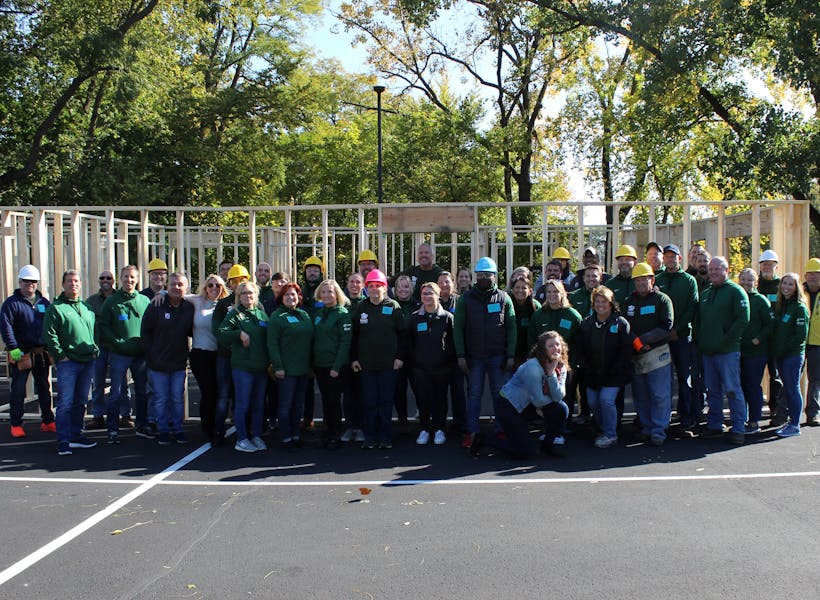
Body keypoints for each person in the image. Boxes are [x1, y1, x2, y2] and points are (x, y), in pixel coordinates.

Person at [470, 331, 568, 459]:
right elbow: (539, 401)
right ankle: (484, 440)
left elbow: (559, 396)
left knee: (561, 409)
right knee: (526, 453)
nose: (556, 348)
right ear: (543, 350)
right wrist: (540, 407)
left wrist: (551, 374)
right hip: (509, 406)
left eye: (557, 344)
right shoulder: (533, 366)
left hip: (530, 404)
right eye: (550, 346)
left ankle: (547, 446)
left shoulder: (560, 366)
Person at [453, 257, 516, 448]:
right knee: (474, 395)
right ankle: (472, 432)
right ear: (475, 276)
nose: (484, 278)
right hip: (474, 357)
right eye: (480, 275)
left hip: (498, 356)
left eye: (488, 275)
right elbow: (458, 328)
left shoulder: (504, 298)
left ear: (495, 276)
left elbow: (511, 328)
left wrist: (511, 354)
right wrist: (461, 355)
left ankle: (501, 430)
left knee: (500, 395)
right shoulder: (466, 299)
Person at [350, 269, 407, 449]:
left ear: (385, 287)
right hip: (366, 365)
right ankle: (370, 436)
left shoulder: (394, 306)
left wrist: (400, 357)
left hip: (389, 364)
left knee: (385, 401)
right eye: (371, 286)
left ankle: (385, 436)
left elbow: (403, 334)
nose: (375, 289)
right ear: (366, 288)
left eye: (378, 286)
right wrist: (354, 359)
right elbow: (354, 335)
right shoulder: (361, 307)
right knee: (369, 401)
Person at [43, 270, 98, 455]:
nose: (73, 284)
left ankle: (77, 436)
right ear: (63, 284)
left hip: (87, 361)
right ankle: (63, 441)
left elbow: (92, 332)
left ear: (80, 284)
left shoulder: (86, 308)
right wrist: (60, 355)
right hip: (68, 363)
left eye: (76, 281)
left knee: (81, 401)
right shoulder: (56, 308)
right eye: (69, 281)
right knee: (65, 402)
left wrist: (94, 349)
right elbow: (50, 335)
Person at [696, 256, 750, 444]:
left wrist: (726, 340)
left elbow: (743, 319)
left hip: (727, 352)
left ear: (726, 270)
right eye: (711, 269)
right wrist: (702, 340)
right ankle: (715, 425)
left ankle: (738, 427)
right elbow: (699, 321)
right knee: (713, 390)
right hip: (708, 352)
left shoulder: (736, 292)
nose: (713, 272)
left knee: (733, 389)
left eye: (717, 269)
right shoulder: (705, 293)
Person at [98, 264, 153, 440]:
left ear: (137, 279)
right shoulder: (111, 302)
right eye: (126, 277)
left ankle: (142, 424)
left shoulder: (144, 300)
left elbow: (150, 325)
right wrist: (116, 342)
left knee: (142, 391)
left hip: (140, 355)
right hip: (119, 354)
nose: (129, 280)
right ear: (120, 279)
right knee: (116, 391)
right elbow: (104, 325)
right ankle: (113, 428)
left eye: (132, 277)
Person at [623, 262, 674, 446]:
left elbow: (666, 326)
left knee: (659, 394)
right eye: (638, 280)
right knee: (641, 395)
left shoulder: (662, 300)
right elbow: (625, 328)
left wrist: (644, 340)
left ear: (652, 280)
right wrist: (637, 343)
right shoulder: (629, 302)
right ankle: (646, 428)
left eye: (645, 279)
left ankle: (659, 431)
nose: (641, 283)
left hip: (658, 353)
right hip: (637, 355)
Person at [140, 273, 194, 446]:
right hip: (158, 363)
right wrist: (151, 356)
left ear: (186, 288)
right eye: (173, 284)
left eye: (180, 284)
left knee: (177, 398)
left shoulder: (189, 307)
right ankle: (163, 430)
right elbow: (145, 332)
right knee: (161, 398)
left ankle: (177, 429)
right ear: (167, 286)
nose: (176, 287)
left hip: (178, 363)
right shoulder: (156, 305)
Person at [1, 265, 55, 438]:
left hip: (41, 352)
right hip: (21, 352)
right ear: (20, 282)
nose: (30, 284)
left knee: (44, 387)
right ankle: (16, 424)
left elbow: (50, 325)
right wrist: (12, 347)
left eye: (33, 282)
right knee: (18, 389)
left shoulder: (44, 303)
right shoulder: (11, 304)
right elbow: (6, 326)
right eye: (26, 281)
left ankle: (48, 421)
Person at [576, 286, 632, 448]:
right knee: (593, 402)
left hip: (614, 374)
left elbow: (625, 352)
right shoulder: (587, 324)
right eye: (597, 301)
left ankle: (610, 434)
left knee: (606, 400)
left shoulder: (621, 323)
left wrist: (613, 371)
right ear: (593, 304)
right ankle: (602, 428)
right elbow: (581, 350)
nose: (601, 305)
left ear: (611, 303)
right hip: (593, 374)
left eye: (604, 302)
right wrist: (588, 370)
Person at [218, 281, 270, 452]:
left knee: (258, 404)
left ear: (257, 295)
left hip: (261, 368)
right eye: (245, 293)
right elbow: (222, 334)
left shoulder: (262, 315)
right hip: (243, 368)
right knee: (243, 404)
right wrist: (238, 333)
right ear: (239, 296)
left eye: (251, 293)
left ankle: (255, 435)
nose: (248, 296)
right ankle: (242, 438)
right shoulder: (234, 314)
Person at [654, 244, 699, 434]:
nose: (670, 259)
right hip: (661, 339)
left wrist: (678, 330)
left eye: (674, 256)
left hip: (681, 338)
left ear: (680, 259)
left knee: (684, 378)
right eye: (667, 256)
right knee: (661, 380)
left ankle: (685, 416)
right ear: (663, 259)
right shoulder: (657, 280)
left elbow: (692, 307)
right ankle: (662, 416)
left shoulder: (689, 280)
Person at [528, 280, 582, 426]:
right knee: (545, 396)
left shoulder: (573, 315)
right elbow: (531, 341)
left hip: (566, 366)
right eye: (549, 292)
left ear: (563, 293)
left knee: (565, 396)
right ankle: (548, 427)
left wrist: (573, 366)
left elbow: (578, 344)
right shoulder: (538, 316)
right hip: (542, 365)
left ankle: (564, 427)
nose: (552, 295)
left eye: (556, 291)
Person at [267, 282, 313, 450]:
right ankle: (286, 436)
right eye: (287, 295)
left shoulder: (304, 315)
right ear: (281, 298)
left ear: (299, 297)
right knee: (285, 405)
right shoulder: (276, 317)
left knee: (298, 405)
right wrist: (278, 366)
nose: (291, 297)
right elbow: (272, 344)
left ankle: (296, 434)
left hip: (303, 369)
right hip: (285, 370)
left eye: (293, 294)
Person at [408, 282, 455, 446]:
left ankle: (439, 429)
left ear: (438, 295)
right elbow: (409, 342)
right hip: (420, 368)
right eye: (424, 294)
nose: (427, 297)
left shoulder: (447, 318)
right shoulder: (414, 318)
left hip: (442, 367)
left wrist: (445, 359)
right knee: (423, 400)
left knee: (440, 400)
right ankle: (424, 429)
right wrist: (416, 359)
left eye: (430, 293)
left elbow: (451, 343)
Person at [85, 270, 129, 430]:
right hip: (100, 347)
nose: (105, 280)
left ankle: (125, 415)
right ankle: (97, 416)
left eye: (108, 278)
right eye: (102, 278)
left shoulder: (121, 299)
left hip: (117, 347)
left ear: (114, 281)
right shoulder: (91, 301)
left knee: (122, 383)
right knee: (98, 382)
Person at [312, 279, 352, 449]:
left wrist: (337, 366)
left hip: (335, 366)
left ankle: (335, 432)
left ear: (337, 294)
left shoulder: (342, 313)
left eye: (330, 291)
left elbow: (345, 343)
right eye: (324, 292)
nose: (327, 295)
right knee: (326, 400)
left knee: (334, 400)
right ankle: (328, 430)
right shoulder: (319, 314)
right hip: (320, 365)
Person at [188, 274, 228, 442]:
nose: (214, 288)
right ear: (205, 288)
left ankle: (218, 425)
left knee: (220, 393)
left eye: (218, 285)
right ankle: (207, 427)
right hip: (200, 354)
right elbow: (175, 293)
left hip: (219, 355)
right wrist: (159, 295)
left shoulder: (226, 305)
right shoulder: (197, 301)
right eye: (210, 285)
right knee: (208, 392)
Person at [212, 264, 250, 440]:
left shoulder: (252, 304)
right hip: (226, 356)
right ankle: (218, 431)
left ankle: (243, 429)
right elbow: (217, 331)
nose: (238, 283)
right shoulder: (223, 304)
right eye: (235, 281)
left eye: (242, 280)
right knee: (224, 395)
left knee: (242, 396)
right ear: (230, 283)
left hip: (245, 358)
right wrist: (234, 341)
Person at [770, 273, 809, 438]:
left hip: (792, 356)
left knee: (792, 389)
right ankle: (791, 421)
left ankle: (795, 424)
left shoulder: (799, 307)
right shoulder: (781, 305)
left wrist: (784, 349)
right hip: (780, 355)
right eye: (784, 283)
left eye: (790, 284)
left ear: (796, 287)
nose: (786, 287)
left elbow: (800, 336)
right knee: (789, 388)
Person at [738, 268, 773, 435]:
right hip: (739, 351)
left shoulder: (761, 300)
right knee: (742, 386)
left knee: (752, 386)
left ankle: (754, 422)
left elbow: (770, 324)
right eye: (743, 280)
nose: (746, 283)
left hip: (756, 353)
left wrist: (758, 339)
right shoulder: (737, 297)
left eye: (749, 280)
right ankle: (742, 419)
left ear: (755, 282)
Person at [757, 249, 785, 426]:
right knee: (755, 376)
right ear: (760, 266)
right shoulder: (755, 284)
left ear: (776, 266)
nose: (767, 267)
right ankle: (755, 410)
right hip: (758, 341)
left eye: (770, 264)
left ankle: (776, 409)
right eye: (764, 264)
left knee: (775, 376)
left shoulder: (782, 285)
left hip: (775, 340)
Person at [392, 274, 420, 426]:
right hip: (397, 356)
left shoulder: (419, 306)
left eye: (406, 286)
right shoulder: (390, 306)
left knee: (419, 389)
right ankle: (402, 420)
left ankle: (423, 418)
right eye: (400, 287)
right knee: (399, 390)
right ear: (395, 290)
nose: (403, 289)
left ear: (412, 289)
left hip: (416, 356)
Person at [510, 275, 540, 368]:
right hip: (510, 354)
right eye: (517, 287)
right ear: (512, 290)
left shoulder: (536, 306)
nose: (520, 290)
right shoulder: (506, 304)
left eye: (524, 288)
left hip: (529, 354)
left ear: (530, 291)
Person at [803, 258, 820, 426]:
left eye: (817, 274)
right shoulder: (799, 292)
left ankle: (813, 413)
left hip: (818, 343)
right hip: (799, 344)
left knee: (815, 380)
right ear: (805, 275)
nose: (813, 277)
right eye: (811, 274)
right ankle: (782, 412)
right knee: (791, 379)